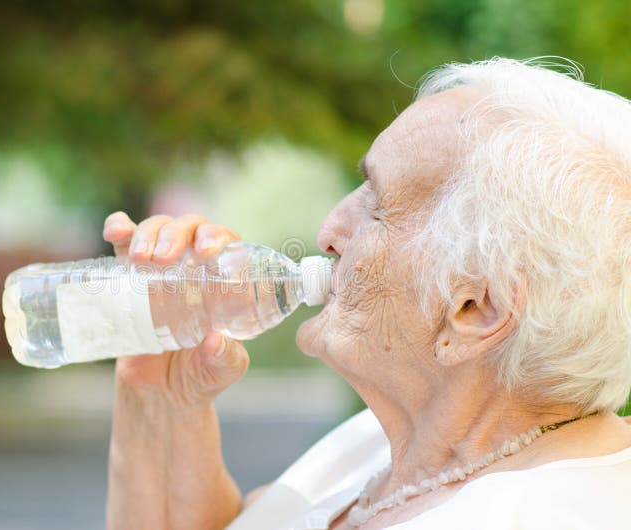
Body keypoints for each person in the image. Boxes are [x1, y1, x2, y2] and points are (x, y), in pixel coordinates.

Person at [102, 58, 631, 529]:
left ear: (475, 309)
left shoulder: (531, 515)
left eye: (377, 206)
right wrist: (162, 400)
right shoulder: (394, 444)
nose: (329, 229)